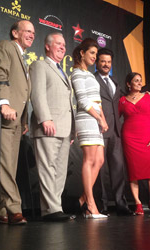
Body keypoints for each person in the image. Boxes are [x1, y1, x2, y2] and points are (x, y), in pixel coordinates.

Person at [0, 20, 35, 225]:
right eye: (28, 31)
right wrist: (3, 104)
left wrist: (24, 120)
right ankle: (15, 208)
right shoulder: (6, 46)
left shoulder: (23, 58)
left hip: (16, 120)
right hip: (5, 116)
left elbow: (22, 92)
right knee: (5, 164)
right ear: (15, 32)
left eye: (34, 32)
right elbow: (0, 74)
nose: (32, 35)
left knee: (7, 167)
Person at [29, 32, 75, 221]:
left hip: (64, 129)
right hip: (48, 125)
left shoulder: (63, 71)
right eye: (58, 43)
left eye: (64, 44)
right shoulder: (40, 65)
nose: (63, 47)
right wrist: (45, 119)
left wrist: (72, 130)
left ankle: (56, 208)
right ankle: (50, 210)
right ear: (47, 46)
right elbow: (38, 94)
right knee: (47, 167)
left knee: (60, 170)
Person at [94, 48, 134, 216]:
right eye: (103, 61)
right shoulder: (92, 80)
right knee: (99, 169)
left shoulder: (115, 82)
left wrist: (143, 92)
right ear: (97, 62)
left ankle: (120, 204)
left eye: (109, 62)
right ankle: (100, 205)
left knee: (118, 168)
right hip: (99, 128)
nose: (106, 65)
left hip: (116, 131)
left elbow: (127, 98)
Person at [71, 38, 108, 219]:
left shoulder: (90, 75)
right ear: (82, 53)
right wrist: (98, 118)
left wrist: (103, 118)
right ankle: (91, 205)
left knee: (99, 160)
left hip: (96, 117)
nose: (95, 56)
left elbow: (97, 100)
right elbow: (83, 100)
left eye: (96, 53)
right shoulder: (77, 73)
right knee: (89, 159)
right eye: (92, 53)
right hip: (86, 117)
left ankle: (83, 200)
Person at [119, 72, 150, 215]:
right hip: (130, 138)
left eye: (140, 81)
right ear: (128, 84)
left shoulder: (148, 96)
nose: (139, 83)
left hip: (147, 138)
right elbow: (114, 117)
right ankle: (138, 203)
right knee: (134, 172)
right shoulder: (122, 101)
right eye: (136, 81)